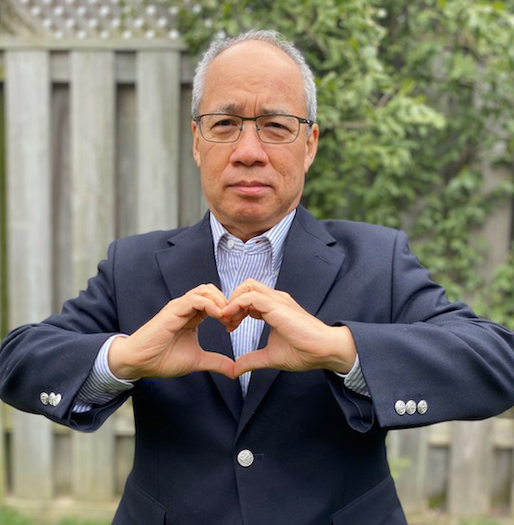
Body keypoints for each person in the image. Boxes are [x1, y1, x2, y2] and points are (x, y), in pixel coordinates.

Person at [1, 29, 514, 525]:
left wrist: (342, 350)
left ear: (309, 144)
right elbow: (19, 358)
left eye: (275, 125)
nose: (248, 150)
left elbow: (496, 362)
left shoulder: (378, 259)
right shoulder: (133, 265)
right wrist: (124, 359)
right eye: (225, 124)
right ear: (197, 141)